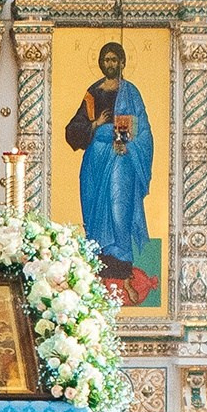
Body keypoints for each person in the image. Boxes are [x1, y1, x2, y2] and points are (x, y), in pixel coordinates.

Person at [63, 39, 155, 303]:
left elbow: (142, 127)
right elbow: (74, 129)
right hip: (96, 159)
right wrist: (95, 125)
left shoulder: (130, 92)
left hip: (121, 156)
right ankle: (97, 276)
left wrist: (123, 139)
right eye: (106, 59)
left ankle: (124, 277)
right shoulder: (93, 93)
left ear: (122, 62)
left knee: (119, 210)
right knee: (95, 214)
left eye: (114, 59)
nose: (110, 64)